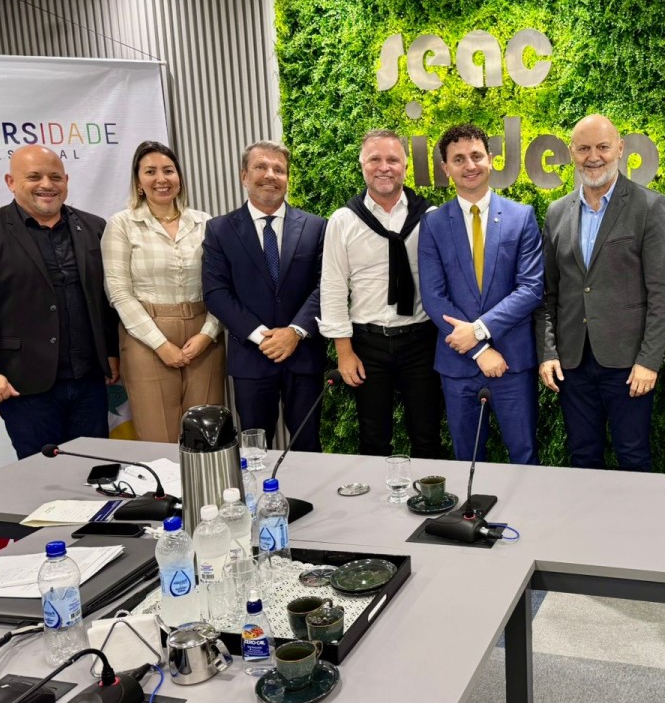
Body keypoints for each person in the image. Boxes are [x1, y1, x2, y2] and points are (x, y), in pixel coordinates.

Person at [535, 114, 665, 471]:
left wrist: (649, 360)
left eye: (602, 147)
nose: (593, 156)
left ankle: (635, 515)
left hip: (629, 364)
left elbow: (662, 293)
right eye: (584, 148)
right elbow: (548, 295)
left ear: (620, 148)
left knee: (633, 456)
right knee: (583, 457)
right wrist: (548, 352)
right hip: (573, 364)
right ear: (572, 152)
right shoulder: (556, 213)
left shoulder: (649, 206)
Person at [0, 146, 120, 458]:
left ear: (66, 181)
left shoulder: (94, 227)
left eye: (55, 177)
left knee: (95, 470)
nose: (47, 184)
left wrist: (112, 351)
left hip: (90, 381)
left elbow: (106, 298)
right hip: (24, 385)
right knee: (42, 475)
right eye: (34, 177)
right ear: (10, 182)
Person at [418, 123, 544, 464]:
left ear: (490, 159)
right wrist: (479, 350)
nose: (469, 165)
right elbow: (433, 297)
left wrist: (478, 331)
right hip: (458, 365)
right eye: (458, 159)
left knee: (525, 457)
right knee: (468, 459)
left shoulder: (521, 217)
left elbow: (531, 288)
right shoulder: (432, 224)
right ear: (446, 168)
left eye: (476, 155)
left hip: (512, 362)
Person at [318, 130, 442, 458]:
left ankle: (430, 491)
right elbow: (332, 287)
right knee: (373, 439)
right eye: (375, 159)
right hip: (367, 344)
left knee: (427, 435)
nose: (384, 167)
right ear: (362, 165)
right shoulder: (343, 220)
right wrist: (344, 352)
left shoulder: (430, 217)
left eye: (392, 160)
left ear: (405, 167)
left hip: (421, 341)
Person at [202, 141, 327, 451]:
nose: (270, 175)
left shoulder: (315, 227)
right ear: (244, 175)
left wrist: (294, 332)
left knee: (308, 446)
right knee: (254, 449)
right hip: (251, 358)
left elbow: (325, 286)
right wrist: (263, 337)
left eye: (279, 169)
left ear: (287, 178)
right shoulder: (219, 230)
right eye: (261, 167)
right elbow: (216, 292)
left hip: (303, 356)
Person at [101, 141, 225, 443]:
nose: (161, 179)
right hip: (146, 338)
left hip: (204, 337)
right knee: (159, 437)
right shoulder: (122, 224)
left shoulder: (205, 223)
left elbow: (223, 285)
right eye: (150, 171)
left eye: (168, 170)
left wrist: (208, 333)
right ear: (138, 181)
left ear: (179, 177)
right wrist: (161, 345)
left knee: (206, 434)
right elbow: (118, 292)